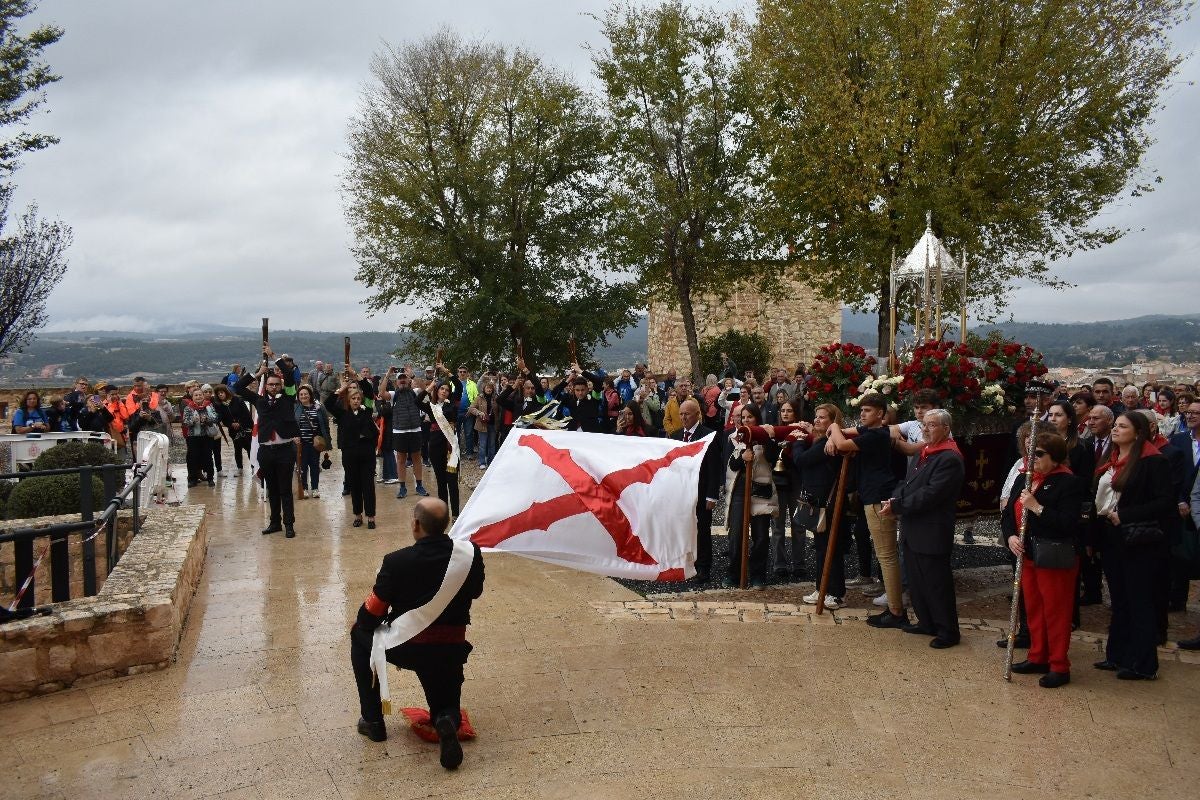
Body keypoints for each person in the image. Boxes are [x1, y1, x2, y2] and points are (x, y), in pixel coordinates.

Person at [349, 498, 485, 769]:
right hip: (450, 648)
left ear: (416, 524)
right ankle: (445, 721)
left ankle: (374, 720)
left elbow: (371, 614)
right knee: (445, 705)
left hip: (407, 647)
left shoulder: (396, 561)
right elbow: (476, 592)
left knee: (358, 636)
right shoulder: (470, 554)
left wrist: (365, 621)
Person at [1094, 411, 1175, 680]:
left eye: (1122, 426)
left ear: (1138, 432)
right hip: (1112, 537)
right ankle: (1117, 655)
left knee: (1139, 600)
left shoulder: (1153, 462)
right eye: (1115, 425)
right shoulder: (1112, 460)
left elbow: (1165, 502)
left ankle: (1143, 663)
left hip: (1138, 539)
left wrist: (1125, 515)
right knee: (1119, 600)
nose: (1115, 430)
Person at [1002, 432, 1086, 687]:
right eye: (1030, 452)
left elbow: (1068, 523)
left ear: (1055, 456)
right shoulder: (1024, 478)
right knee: (1034, 608)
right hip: (1026, 553)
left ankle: (1059, 664)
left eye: (1039, 454)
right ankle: (1038, 655)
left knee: (1056, 610)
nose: (1032, 458)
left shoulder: (1068, 483)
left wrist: (1037, 507)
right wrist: (1011, 537)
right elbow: (1007, 514)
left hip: (1054, 555)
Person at [883, 409, 965, 649]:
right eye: (924, 425)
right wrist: (895, 498)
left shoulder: (949, 458)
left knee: (935, 582)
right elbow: (908, 483)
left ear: (946, 429)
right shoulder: (927, 451)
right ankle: (926, 622)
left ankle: (948, 631)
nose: (925, 429)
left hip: (931, 529)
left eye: (931, 425)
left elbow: (931, 494)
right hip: (913, 527)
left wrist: (899, 506)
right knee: (917, 580)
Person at [828, 392, 908, 629]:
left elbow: (842, 442)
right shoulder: (872, 433)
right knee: (885, 555)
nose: (862, 414)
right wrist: (837, 434)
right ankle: (894, 608)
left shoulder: (876, 435)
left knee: (886, 556)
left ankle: (895, 611)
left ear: (881, 414)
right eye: (861, 410)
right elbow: (847, 435)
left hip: (877, 497)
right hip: (873, 495)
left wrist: (833, 425)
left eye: (868, 411)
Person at [237, 350, 300, 538]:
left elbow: (288, 375)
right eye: (270, 384)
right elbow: (237, 388)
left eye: (276, 384)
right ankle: (275, 522)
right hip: (266, 450)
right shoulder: (259, 400)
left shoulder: (289, 398)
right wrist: (256, 374)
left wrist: (275, 358)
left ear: (280, 386)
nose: (273, 387)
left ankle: (289, 524)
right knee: (271, 488)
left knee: (285, 490)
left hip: (285, 449)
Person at [796, 403, 847, 609]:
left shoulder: (829, 442)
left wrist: (799, 442)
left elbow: (802, 460)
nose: (816, 420)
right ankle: (822, 587)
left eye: (822, 417)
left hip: (829, 503)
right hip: (818, 501)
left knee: (830, 549)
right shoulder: (822, 440)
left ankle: (835, 593)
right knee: (821, 548)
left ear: (833, 421)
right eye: (816, 416)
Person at [724, 404, 778, 589]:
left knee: (761, 535)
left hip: (760, 492)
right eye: (743, 417)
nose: (746, 420)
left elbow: (772, 457)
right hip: (740, 490)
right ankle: (735, 573)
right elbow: (732, 464)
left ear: (757, 418)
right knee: (736, 534)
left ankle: (758, 575)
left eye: (750, 417)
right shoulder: (736, 438)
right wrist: (742, 458)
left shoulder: (765, 437)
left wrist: (768, 439)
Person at [671, 399, 722, 583]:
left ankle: (703, 567)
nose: (684, 417)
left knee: (702, 530)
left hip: (701, 492)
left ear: (697, 415)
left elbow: (714, 468)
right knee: (683, 528)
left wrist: (712, 495)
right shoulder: (675, 436)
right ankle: (685, 563)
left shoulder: (708, 436)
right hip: (682, 493)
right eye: (681, 414)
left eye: (687, 414)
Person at [326, 374, 379, 529]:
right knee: (354, 485)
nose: (356, 401)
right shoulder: (342, 414)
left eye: (358, 398)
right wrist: (342, 388)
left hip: (366, 451)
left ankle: (371, 516)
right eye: (353, 399)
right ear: (348, 401)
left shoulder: (367, 410)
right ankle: (357, 515)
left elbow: (369, 392)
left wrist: (357, 377)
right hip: (350, 452)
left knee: (368, 484)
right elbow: (328, 403)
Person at [770, 400, 806, 579]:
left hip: (797, 479)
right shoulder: (775, 433)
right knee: (778, 525)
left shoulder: (802, 430)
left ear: (795, 413)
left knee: (798, 523)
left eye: (789, 410)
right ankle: (780, 563)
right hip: (778, 480)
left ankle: (799, 563)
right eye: (783, 410)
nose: (785, 413)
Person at [387, 368, 430, 500]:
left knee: (417, 458)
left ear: (408, 380)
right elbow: (381, 392)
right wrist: (388, 375)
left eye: (404, 378)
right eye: (400, 379)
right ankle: (402, 487)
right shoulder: (393, 394)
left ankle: (419, 485)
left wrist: (413, 376)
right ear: (397, 382)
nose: (402, 380)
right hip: (400, 431)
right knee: (401, 460)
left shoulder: (415, 392)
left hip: (415, 429)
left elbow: (425, 389)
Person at [423, 380, 462, 517]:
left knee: (452, 482)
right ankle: (443, 513)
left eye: (447, 390)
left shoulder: (452, 406)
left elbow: (459, 386)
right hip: (435, 447)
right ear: (437, 390)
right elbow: (417, 401)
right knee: (441, 482)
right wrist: (429, 387)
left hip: (451, 448)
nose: (444, 391)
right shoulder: (431, 406)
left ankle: (456, 515)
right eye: (441, 389)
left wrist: (446, 371)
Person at [295, 384, 330, 498]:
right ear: (298, 396)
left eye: (305, 394)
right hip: (301, 444)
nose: (303, 396)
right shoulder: (295, 408)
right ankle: (304, 488)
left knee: (315, 467)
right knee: (302, 467)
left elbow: (325, 424)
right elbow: (292, 425)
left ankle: (315, 488)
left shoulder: (319, 407)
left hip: (315, 443)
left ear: (310, 395)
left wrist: (326, 440)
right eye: (301, 394)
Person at [181, 386, 218, 487]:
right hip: (193, 437)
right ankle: (192, 479)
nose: (198, 397)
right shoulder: (188, 408)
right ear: (192, 397)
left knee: (208, 457)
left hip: (207, 436)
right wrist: (193, 420)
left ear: (203, 396)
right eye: (196, 395)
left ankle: (210, 478)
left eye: (200, 395)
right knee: (193, 458)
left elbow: (215, 417)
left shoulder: (209, 406)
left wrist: (207, 419)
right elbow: (185, 422)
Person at [1046, 400, 1094, 478]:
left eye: (1058, 415)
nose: (1053, 419)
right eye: (1050, 415)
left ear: (1069, 419)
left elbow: (1084, 480)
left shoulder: (1083, 447)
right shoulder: (1042, 443)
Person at [214, 384, 253, 477]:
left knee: (249, 448)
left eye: (222, 392)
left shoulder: (238, 400)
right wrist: (230, 424)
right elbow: (222, 418)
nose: (220, 395)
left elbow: (246, 414)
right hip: (233, 430)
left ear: (226, 392)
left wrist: (240, 423)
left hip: (245, 428)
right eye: (218, 394)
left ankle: (253, 467)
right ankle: (240, 468)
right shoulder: (220, 405)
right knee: (237, 448)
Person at [469, 378, 501, 468]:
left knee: (492, 444)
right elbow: (471, 408)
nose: (489, 389)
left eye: (491, 388)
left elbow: (500, 410)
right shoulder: (479, 397)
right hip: (482, 424)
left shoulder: (496, 398)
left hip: (493, 424)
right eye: (487, 387)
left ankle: (491, 462)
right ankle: (482, 462)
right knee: (483, 444)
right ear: (484, 388)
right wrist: (479, 413)